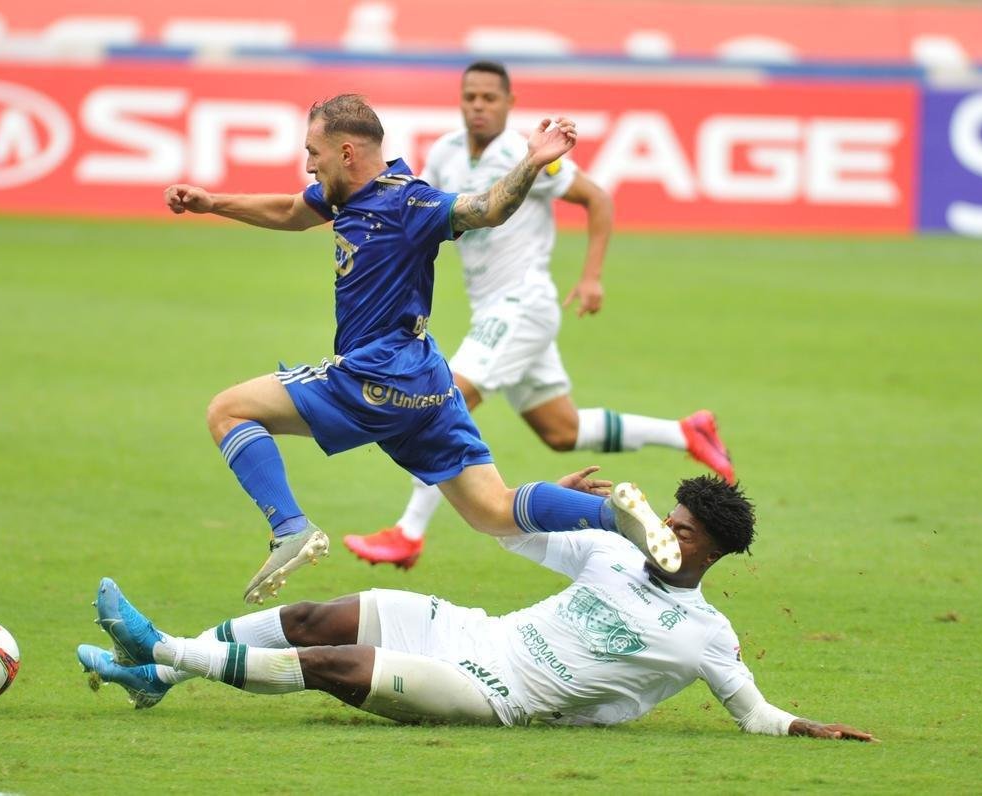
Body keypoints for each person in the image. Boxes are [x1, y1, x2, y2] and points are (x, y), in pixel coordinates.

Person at [163, 94, 682, 605]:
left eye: (313, 153)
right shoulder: (345, 194)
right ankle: (609, 515)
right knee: (494, 512)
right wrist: (213, 202)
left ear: (346, 154)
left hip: (376, 375)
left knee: (227, 410)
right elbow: (292, 209)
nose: (307, 164)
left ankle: (291, 529)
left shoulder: (410, 202)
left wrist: (530, 161)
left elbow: (486, 209)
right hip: (426, 384)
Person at [76, 473, 876, 742]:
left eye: (683, 529)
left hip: (499, 696)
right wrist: (566, 502)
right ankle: (160, 679)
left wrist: (807, 728)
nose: (666, 530)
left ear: (710, 552)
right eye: (668, 517)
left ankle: (163, 650)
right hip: (469, 631)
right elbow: (506, 530)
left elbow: (753, 712)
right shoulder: (611, 551)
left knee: (334, 666)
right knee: (317, 617)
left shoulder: (705, 636)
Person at [345, 62, 734, 571]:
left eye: (489, 97)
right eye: (470, 96)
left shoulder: (528, 157)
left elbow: (596, 197)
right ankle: (685, 433)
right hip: (494, 308)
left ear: (508, 103)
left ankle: (408, 532)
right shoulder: (442, 153)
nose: (478, 105)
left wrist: (591, 276)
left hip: (522, 302)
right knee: (561, 430)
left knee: (446, 398)